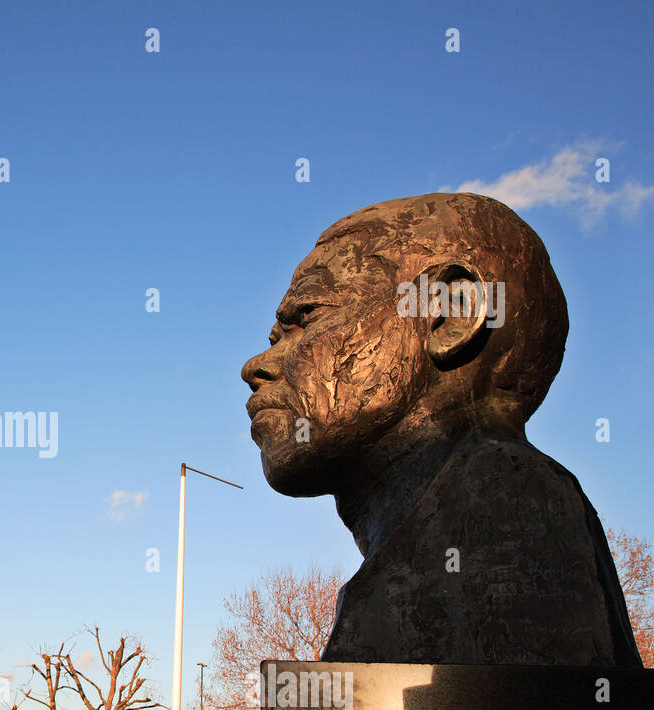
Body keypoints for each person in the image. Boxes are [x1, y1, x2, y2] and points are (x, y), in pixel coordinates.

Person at [240, 192, 641, 666]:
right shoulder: (431, 545)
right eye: (274, 339)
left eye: (308, 317)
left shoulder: (510, 504)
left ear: (452, 315)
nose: (256, 366)